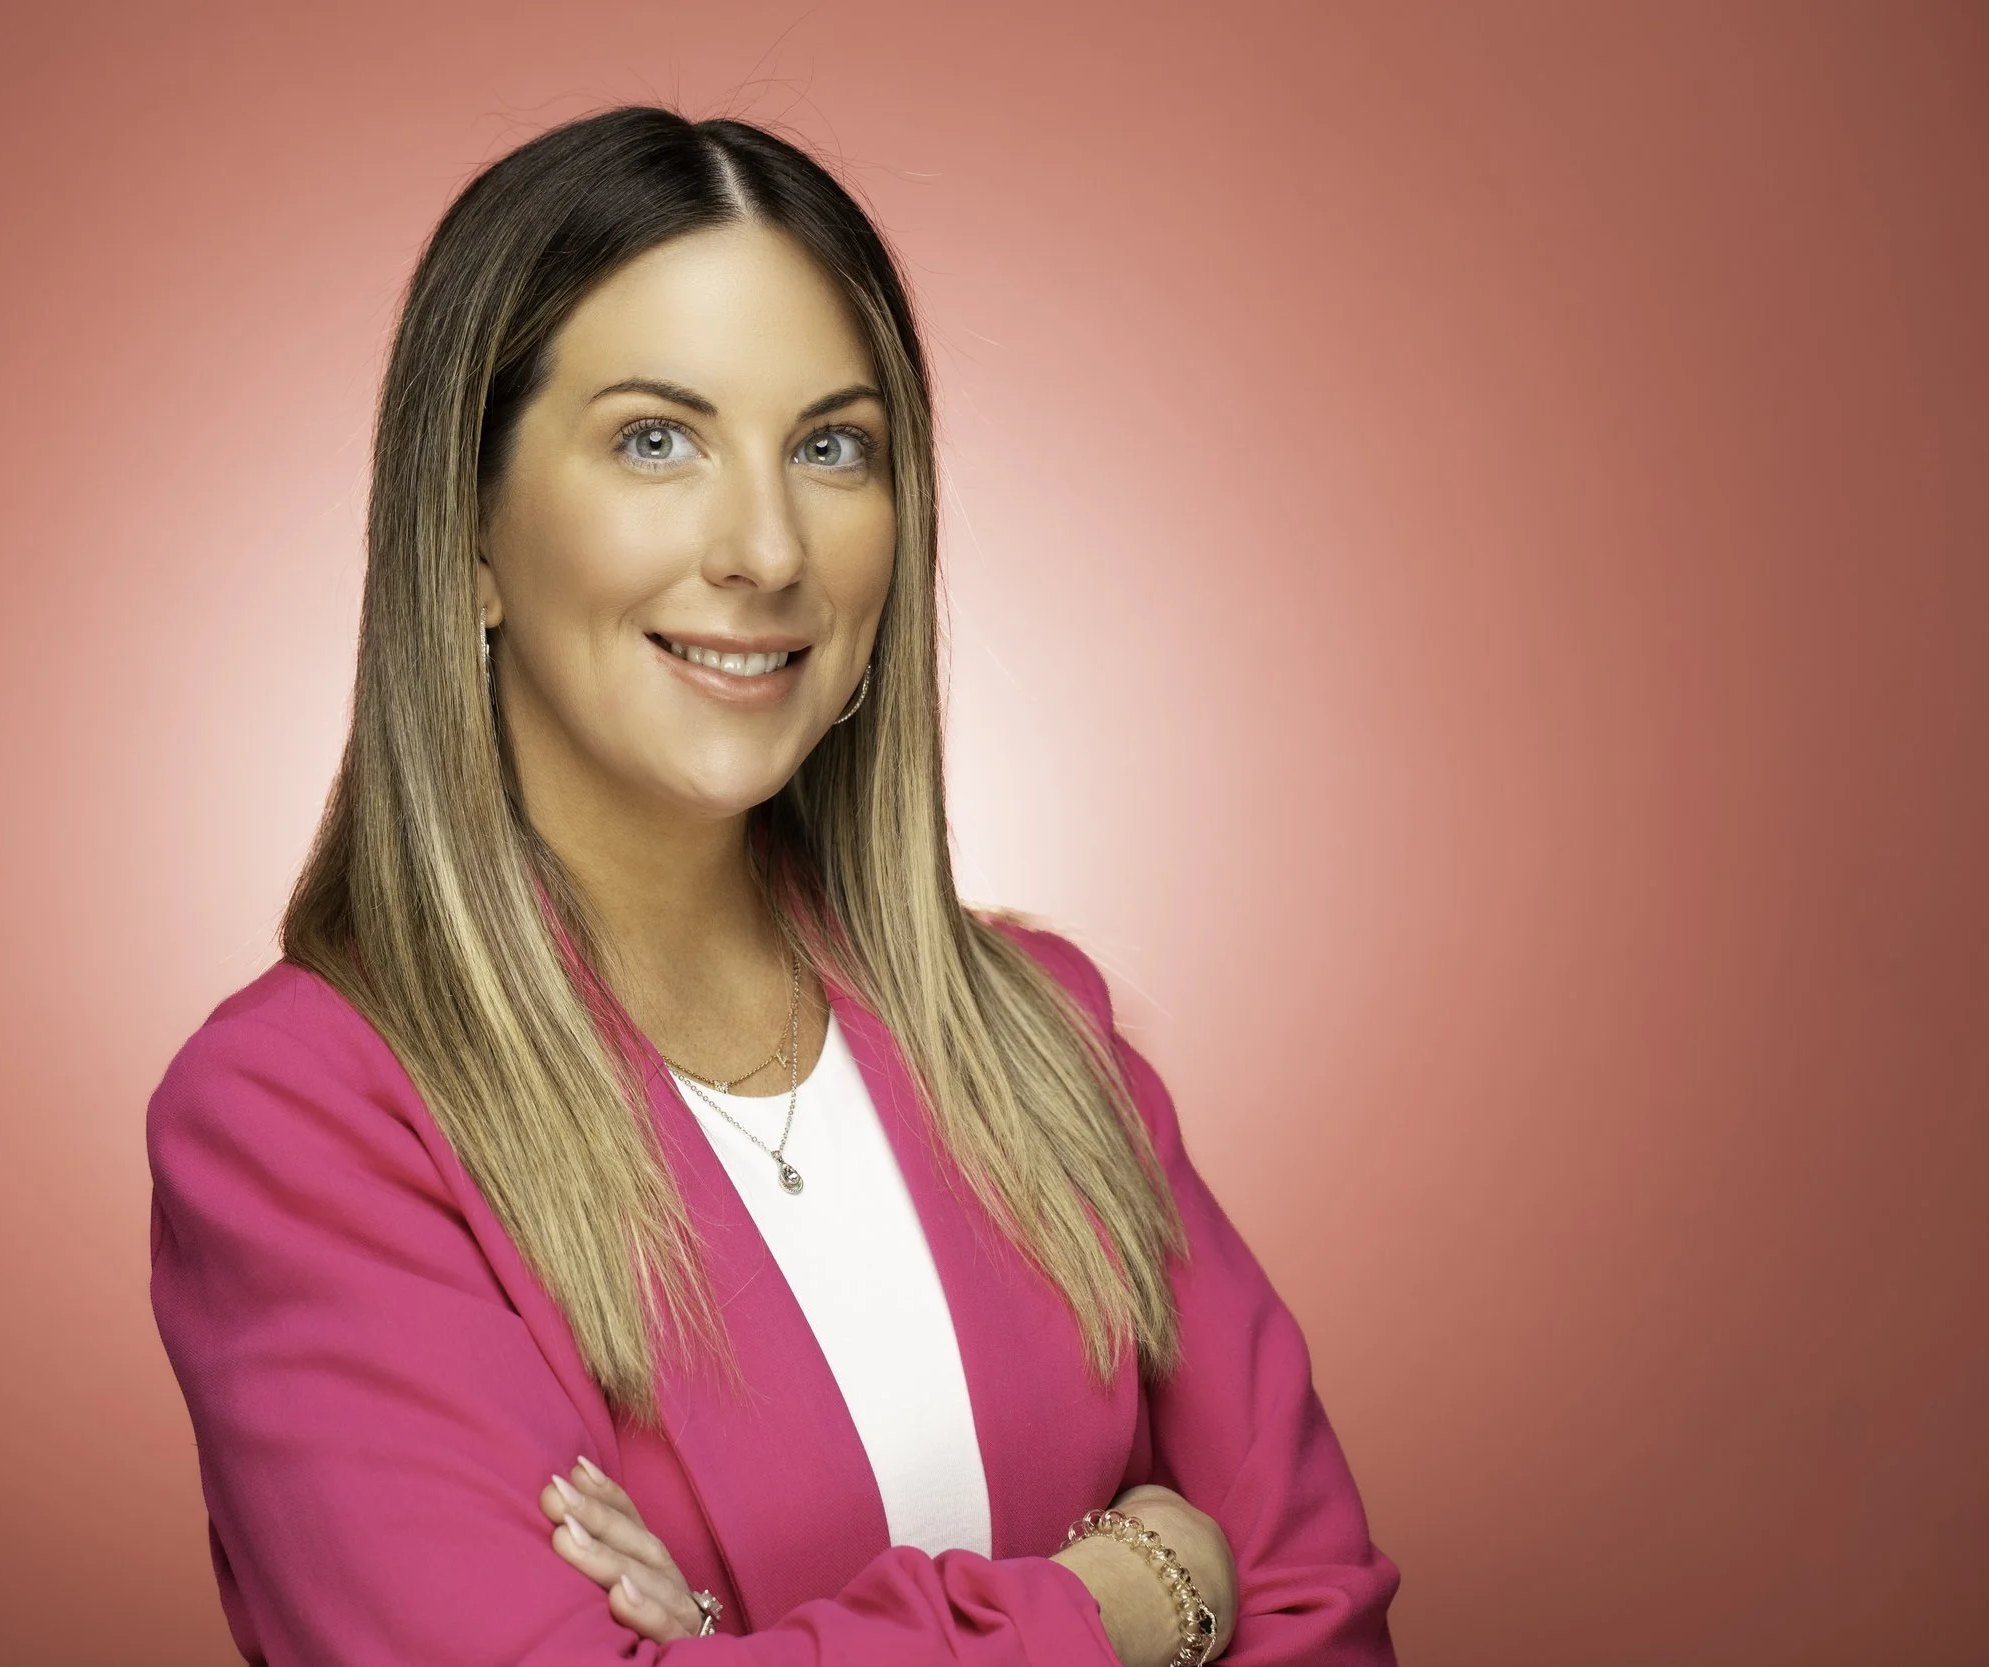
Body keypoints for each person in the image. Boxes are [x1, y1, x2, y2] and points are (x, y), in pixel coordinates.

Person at [145, 104, 1400, 1667]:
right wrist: (1129, 1596)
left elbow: (1326, 1614)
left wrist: (749, 1641)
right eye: (656, 438)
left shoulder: (1040, 1035)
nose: (765, 545)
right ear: (466, 531)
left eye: (832, 447)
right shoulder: (306, 1114)